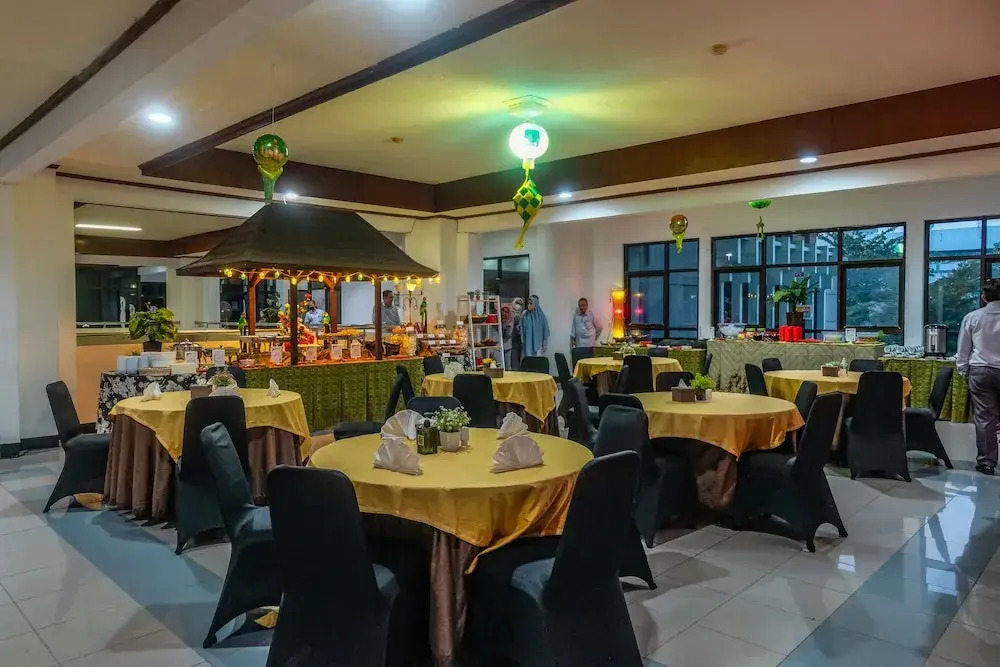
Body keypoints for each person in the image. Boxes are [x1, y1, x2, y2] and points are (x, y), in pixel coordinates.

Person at [956, 278, 1000, 475]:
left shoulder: (973, 317)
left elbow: (963, 349)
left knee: (985, 418)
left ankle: (986, 463)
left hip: (981, 371)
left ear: (984, 297)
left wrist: (963, 369)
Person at [500, 304, 514, 369]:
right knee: (500, 365)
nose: (504, 313)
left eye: (506, 312)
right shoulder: (498, 321)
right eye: (502, 311)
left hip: (507, 345)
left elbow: (508, 334)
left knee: (508, 365)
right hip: (498, 346)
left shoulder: (510, 321)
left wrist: (508, 326)